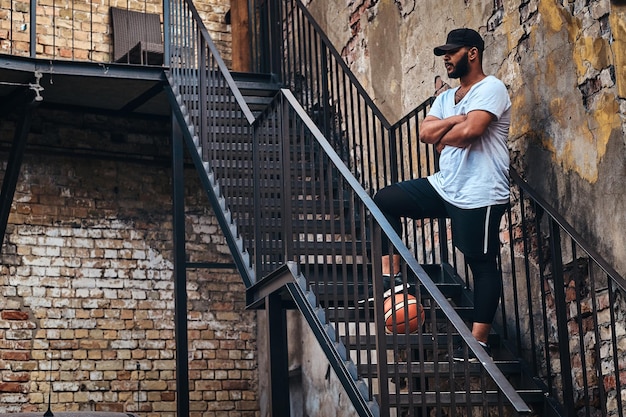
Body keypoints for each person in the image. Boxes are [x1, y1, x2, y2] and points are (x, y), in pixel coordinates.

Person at [372, 28, 511, 361]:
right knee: (384, 201)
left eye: (452, 52)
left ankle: (478, 342)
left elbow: (472, 132)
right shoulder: (447, 98)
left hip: (481, 191)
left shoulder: (491, 88)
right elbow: (425, 133)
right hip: (445, 184)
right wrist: (458, 122)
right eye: (444, 53)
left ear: (473, 53)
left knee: (481, 262)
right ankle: (392, 277)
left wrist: (449, 130)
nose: (446, 58)